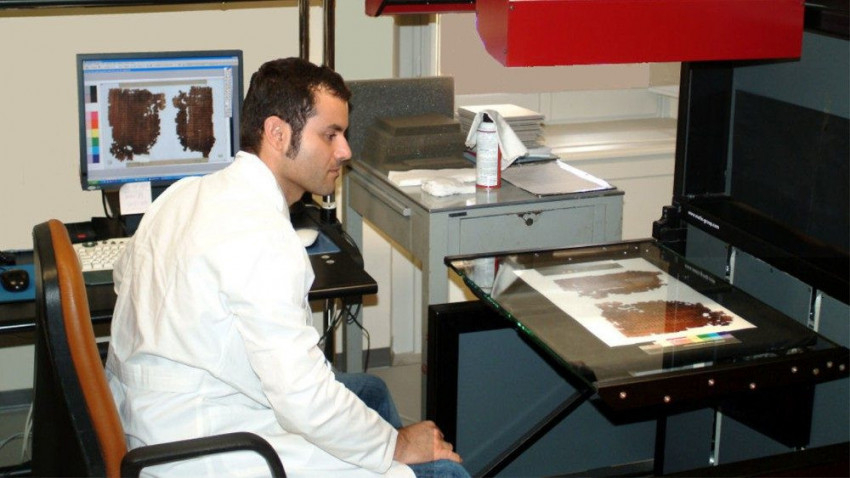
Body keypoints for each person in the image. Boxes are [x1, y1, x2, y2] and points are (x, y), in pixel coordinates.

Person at [105, 57, 469, 478]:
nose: (345, 151)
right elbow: (303, 398)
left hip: (148, 422)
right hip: (206, 451)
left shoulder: (183, 195)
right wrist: (398, 445)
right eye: (330, 135)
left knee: (371, 390)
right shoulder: (262, 236)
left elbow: (123, 278)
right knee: (444, 473)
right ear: (277, 134)